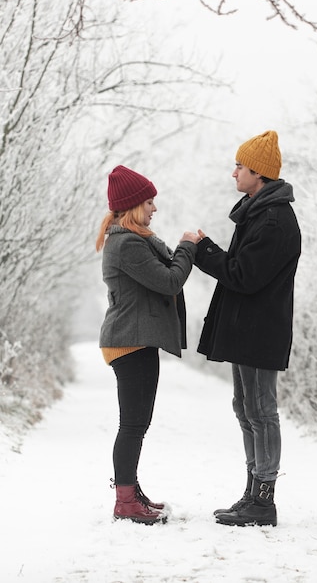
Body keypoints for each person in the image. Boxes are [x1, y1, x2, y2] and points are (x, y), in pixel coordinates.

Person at [194, 130, 301, 527]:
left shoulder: (273, 220)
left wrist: (205, 250)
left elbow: (244, 276)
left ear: (259, 172)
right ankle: (252, 493)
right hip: (248, 330)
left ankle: (264, 500)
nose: (233, 172)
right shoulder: (258, 212)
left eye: (240, 165)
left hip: (260, 331)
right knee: (245, 409)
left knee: (261, 410)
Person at [96, 164, 200, 524]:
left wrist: (183, 249)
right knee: (133, 424)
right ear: (133, 205)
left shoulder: (133, 241)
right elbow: (170, 281)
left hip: (135, 340)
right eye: (150, 202)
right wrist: (187, 245)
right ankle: (125, 501)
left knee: (137, 422)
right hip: (130, 341)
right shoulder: (126, 245)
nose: (155, 208)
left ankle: (131, 492)